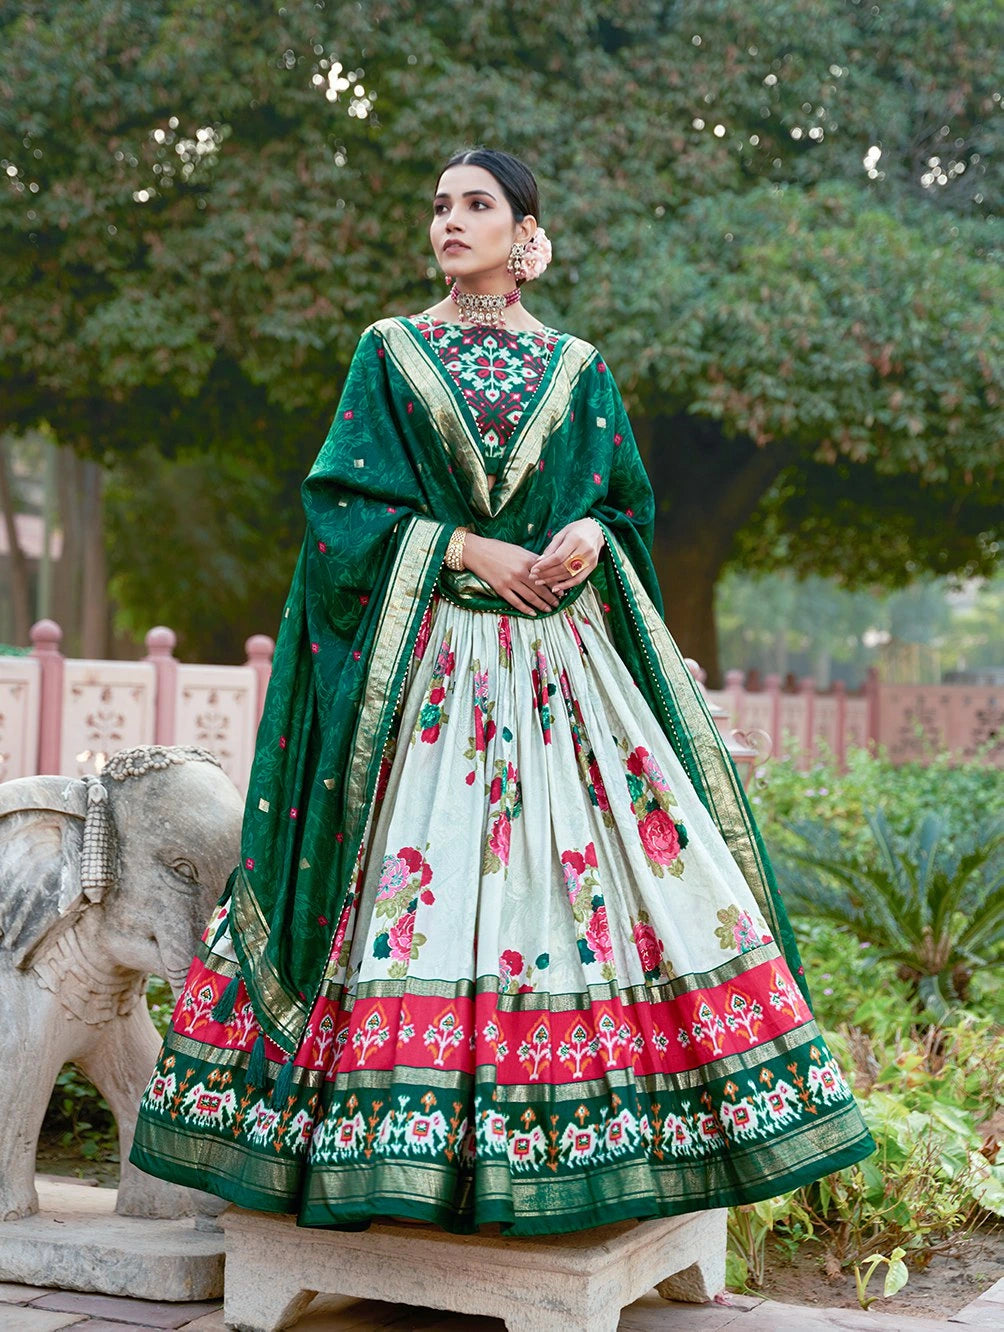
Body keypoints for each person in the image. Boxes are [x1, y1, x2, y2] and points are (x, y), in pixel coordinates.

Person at [131, 147, 875, 1239]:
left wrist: (584, 534)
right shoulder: (388, 353)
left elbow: (621, 507)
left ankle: (590, 1158)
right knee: (415, 902)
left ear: (526, 233)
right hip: (429, 671)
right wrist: (471, 552)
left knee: (588, 896)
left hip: (562, 677)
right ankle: (401, 1168)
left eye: (476, 205)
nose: (449, 221)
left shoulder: (578, 368)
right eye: (437, 205)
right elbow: (341, 513)